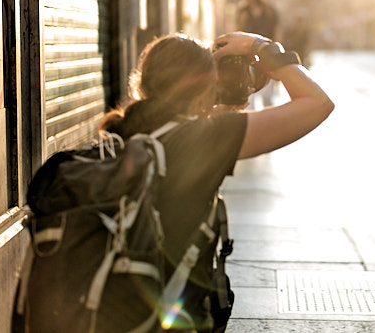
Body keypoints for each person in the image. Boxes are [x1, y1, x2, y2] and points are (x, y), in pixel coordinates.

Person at [98, 31, 334, 330]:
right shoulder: (207, 140)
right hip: (170, 312)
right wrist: (261, 46)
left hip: (111, 300)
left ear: (143, 80)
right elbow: (317, 103)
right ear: (204, 87)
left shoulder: (120, 131)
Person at [236, 0, 280, 107]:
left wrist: (277, 53)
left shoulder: (269, 10)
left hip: (267, 54)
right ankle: (254, 122)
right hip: (248, 56)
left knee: (267, 95)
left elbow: (277, 31)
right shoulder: (243, 11)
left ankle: (269, 122)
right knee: (250, 95)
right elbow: (238, 32)